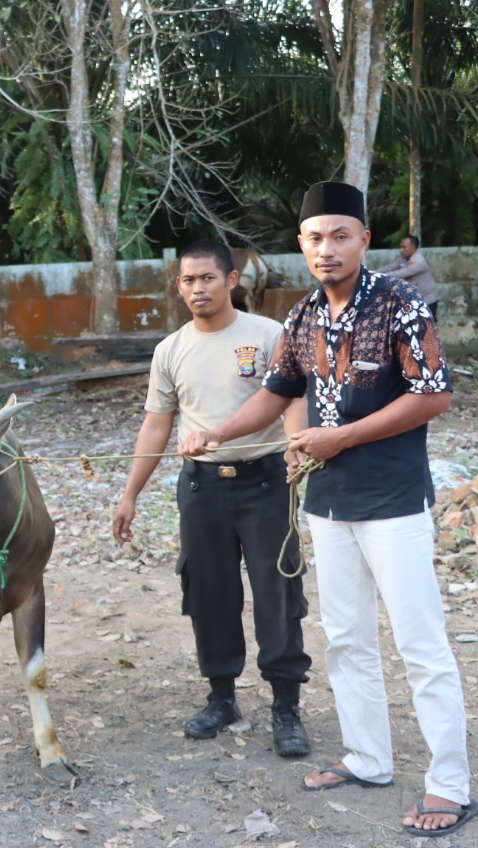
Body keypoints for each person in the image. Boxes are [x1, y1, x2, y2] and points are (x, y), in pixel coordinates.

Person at [179, 182, 476, 837]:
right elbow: (277, 390)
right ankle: (368, 757)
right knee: (345, 640)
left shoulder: (399, 301)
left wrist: (338, 436)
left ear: (364, 240)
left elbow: (434, 395)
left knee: (420, 644)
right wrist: (219, 432)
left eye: (340, 235)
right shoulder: (304, 316)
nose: (327, 248)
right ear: (302, 245)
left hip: (393, 501)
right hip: (327, 502)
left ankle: (450, 784)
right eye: (315, 237)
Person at [111, 240, 312, 757]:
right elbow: (156, 425)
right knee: (207, 592)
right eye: (188, 280)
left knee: (278, 592)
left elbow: (290, 398)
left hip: (267, 481)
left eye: (207, 278)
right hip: (201, 487)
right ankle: (222, 697)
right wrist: (130, 493)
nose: (198, 288)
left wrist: (295, 448)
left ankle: (285, 706)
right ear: (179, 287)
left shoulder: (269, 335)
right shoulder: (170, 350)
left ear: (231, 280)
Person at [374, 234, 439, 319]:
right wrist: (372, 273)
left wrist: (376, 277)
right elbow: (389, 267)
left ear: (413, 247)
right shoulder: (404, 259)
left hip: (427, 302)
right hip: (414, 301)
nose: (401, 250)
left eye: (404, 247)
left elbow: (399, 274)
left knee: (427, 330)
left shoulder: (418, 262)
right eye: (401, 247)